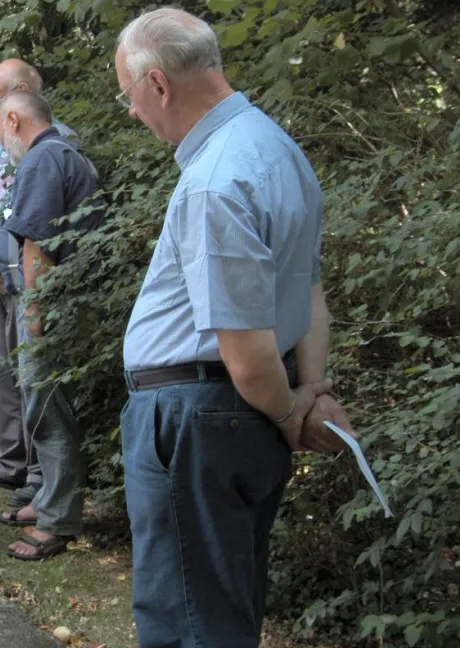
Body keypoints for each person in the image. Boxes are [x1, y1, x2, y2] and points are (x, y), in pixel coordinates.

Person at [114, 9, 353, 646]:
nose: (131, 112)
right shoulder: (278, 150)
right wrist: (312, 390)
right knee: (223, 607)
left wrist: (289, 414)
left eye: (129, 95)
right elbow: (309, 294)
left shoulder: (214, 182)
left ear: (158, 85)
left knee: (187, 622)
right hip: (234, 416)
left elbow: (246, 354)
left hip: (198, 417)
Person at [0, 60, 79, 510]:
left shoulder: (54, 145)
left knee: (34, 375)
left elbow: (40, 230)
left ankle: (37, 475)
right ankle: (9, 461)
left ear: (20, 95)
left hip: (23, 276)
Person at [0, 91, 104, 561]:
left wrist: (35, 310)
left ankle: (57, 519)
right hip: (63, 302)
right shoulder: (67, 155)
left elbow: (38, 243)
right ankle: (48, 501)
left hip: (49, 303)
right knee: (47, 403)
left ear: (14, 119)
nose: (2, 139)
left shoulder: (41, 159)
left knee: (49, 407)